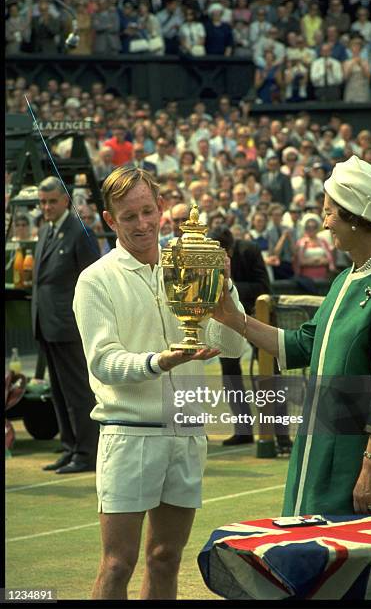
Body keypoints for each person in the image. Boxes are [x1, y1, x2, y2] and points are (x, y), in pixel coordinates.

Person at [72, 167, 245, 599]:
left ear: (162, 208)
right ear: (110, 221)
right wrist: (158, 362)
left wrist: (226, 290)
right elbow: (104, 362)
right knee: (117, 564)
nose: (142, 224)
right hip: (129, 433)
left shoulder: (189, 264)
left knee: (166, 557)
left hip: (187, 430)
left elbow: (233, 348)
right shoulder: (95, 280)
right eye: (129, 217)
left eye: (148, 211)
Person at [213, 155, 371, 517]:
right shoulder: (344, 280)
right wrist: (230, 316)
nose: (325, 221)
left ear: (356, 217)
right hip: (317, 450)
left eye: (330, 211)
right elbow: (300, 345)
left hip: (355, 460)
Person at [32, 176, 101, 473]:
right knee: (58, 392)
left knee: (77, 392)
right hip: (46, 321)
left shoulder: (79, 231)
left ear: (65, 200)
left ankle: (87, 452)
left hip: (69, 324)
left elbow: (92, 280)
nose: (46, 207)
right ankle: (70, 446)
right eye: (43, 202)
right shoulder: (46, 229)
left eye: (52, 201)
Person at [209, 225, 270, 446]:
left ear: (231, 250)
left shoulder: (250, 250)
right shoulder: (208, 256)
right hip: (226, 321)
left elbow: (264, 286)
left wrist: (229, 287)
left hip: (257, 315)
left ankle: (279, 433)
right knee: (230, 375)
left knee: (268, 373)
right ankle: (243, 429)